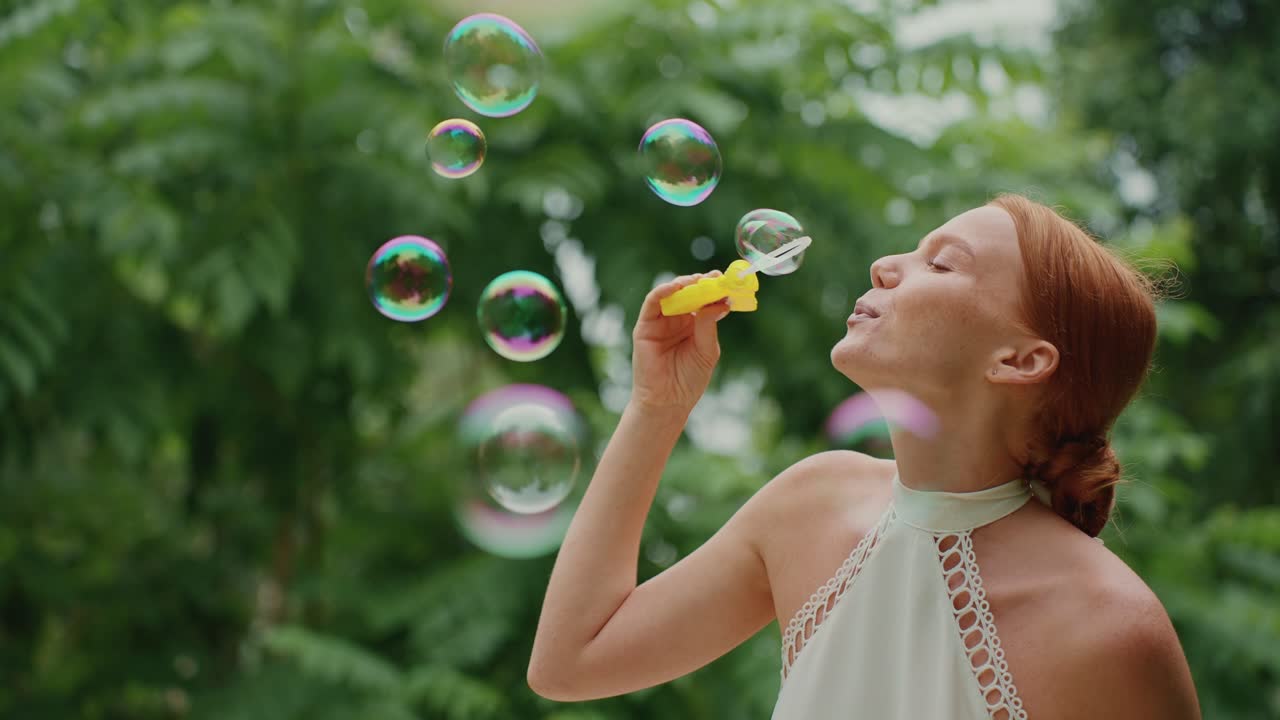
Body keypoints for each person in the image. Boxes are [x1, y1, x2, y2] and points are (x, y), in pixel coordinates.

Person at [526, 194, 1202, 719]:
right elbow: (571, 662)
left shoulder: (1109, 629)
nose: (886, 264)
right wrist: (657, 404)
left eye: (941, 263)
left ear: (1020, 360)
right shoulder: (811, 505)